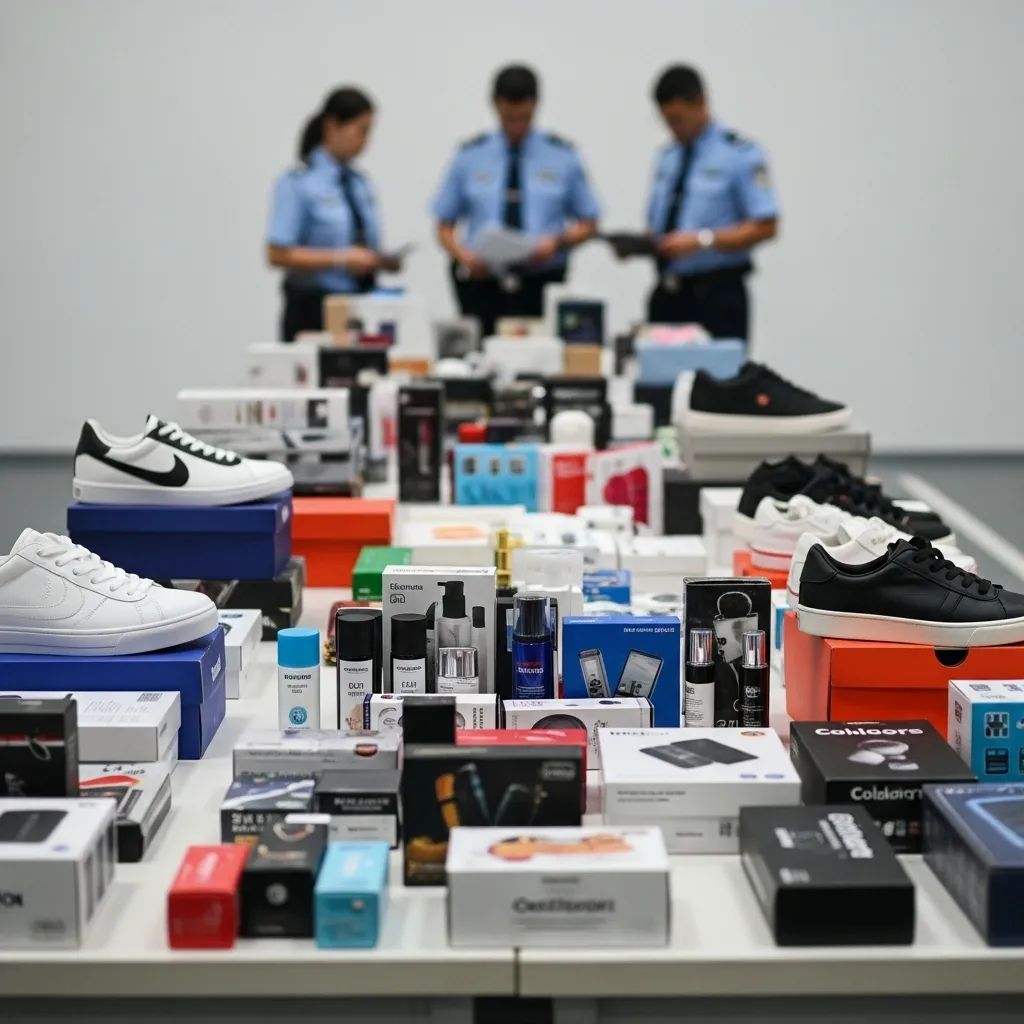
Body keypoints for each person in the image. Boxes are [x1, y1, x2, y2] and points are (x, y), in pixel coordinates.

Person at [432, 64, 601, 337]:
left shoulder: (562, 156)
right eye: (509, 118)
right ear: (495, 105)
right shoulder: (470, 155)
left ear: (536, 105)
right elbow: (444, 225)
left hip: (540, 283)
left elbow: (590, 222)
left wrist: (557, 243)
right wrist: (463, 255)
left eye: (523, 118)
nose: (516, 127)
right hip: (483, 285)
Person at [643, 65, 779, 339]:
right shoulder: (668, 157)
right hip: (669, 293)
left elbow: (767, 226)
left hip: (717, 296)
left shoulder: (739, 154)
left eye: (679, 119)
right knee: (659, 379)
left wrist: (701, 241)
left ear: (701, 103)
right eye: (667, 121)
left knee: (719, 381)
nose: (674, 129)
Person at [267, 87, 397, 341]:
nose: (365, 141)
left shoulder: (359, 183)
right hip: (314, 308)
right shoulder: (299, 182)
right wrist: (340, 260)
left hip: (360, 306)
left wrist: (379, 260)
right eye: (360, 130)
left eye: (370, 132)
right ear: (333, 125)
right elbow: (277, 253)